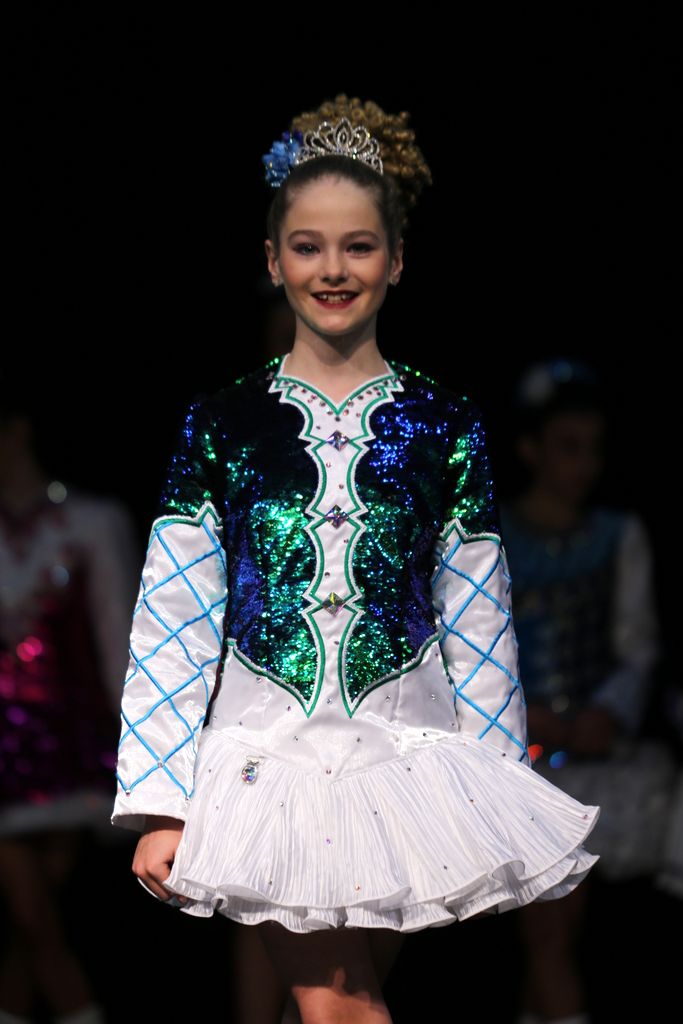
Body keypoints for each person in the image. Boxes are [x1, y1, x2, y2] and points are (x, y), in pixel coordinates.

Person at [110, 95, 602, 1024]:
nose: (332, 268)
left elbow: (477, 608)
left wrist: (493, 787)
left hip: (404, 769)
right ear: (272, 260)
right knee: (340, 1008)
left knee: (330, 1009)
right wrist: (160, 800)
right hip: (265, 763)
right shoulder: (222, 423)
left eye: (358, 246)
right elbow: (175, 614)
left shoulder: (445, 421)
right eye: (307, 246)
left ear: (396, 259)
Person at [497, 359, 676, 1024]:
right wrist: (521, 713)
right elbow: (472, 642)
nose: (584, 465)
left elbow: (638, 645)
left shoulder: (616, 535)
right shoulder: (494, 536)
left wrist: (605, 712)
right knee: (549, 931)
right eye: (567, 447)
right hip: (518, 760)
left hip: (596, 760)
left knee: (555, 936)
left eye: (592, 449)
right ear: (531, 449)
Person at [0, 385, 141, 1024]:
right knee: (32, 916)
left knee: (34, 923)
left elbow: (119, 638)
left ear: (18, 428)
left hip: (67, 747)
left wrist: (137, 748)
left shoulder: (90, 522)